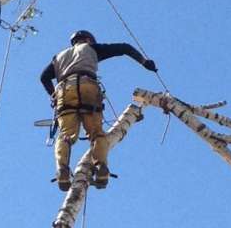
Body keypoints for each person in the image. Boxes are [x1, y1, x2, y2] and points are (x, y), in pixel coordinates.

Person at [40, 30, 157, 191]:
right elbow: (125, 48)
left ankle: (62, 170)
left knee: (66, 134)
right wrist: (144, 62)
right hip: (88, 86)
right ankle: (101, 168)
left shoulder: (59, 57)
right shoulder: (91, 48)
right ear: (88, 39)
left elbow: (43, 77)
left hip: (65, 91)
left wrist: (53, 95)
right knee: (96, 133)